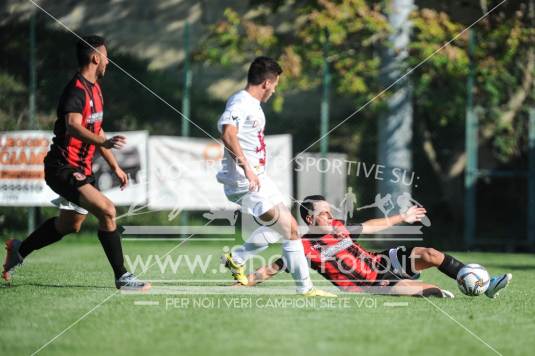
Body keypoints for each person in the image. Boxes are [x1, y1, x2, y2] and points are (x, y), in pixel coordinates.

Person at [2, 35, 149, 291]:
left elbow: (98, 131)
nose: (108, 61)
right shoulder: (76, 90)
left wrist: (114, 166)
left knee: (70, 225)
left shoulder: (96, 89)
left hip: (80, 169)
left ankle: (19, 249)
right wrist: (103, 144)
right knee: (107, 210)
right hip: (62, 168)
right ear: (95, 58)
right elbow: (73, 126)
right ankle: (122, 277)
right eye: (105, 56)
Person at [217, 57, 333, 297]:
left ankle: (236, 257)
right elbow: (228, 134)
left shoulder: (250, 104)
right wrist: (246, 167)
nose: (275, 89)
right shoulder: (242, 101)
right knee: (289, 228)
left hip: (257, 176)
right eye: (276, 84)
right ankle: (306, 289)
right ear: (267, 82)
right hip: (244, 179)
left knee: (286, 228)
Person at [242, 195, 511, 298]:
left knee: (431, 254)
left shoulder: (338, 227)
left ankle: (485, 285)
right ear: (310, 219)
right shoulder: (300, 246)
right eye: (324, 213)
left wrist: (402, 218)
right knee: (434, 293)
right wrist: (242, 284)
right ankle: (475, 287)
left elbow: (370, 226)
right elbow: (272, 268)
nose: (330, 215)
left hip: (381, 262)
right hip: (367, 284)